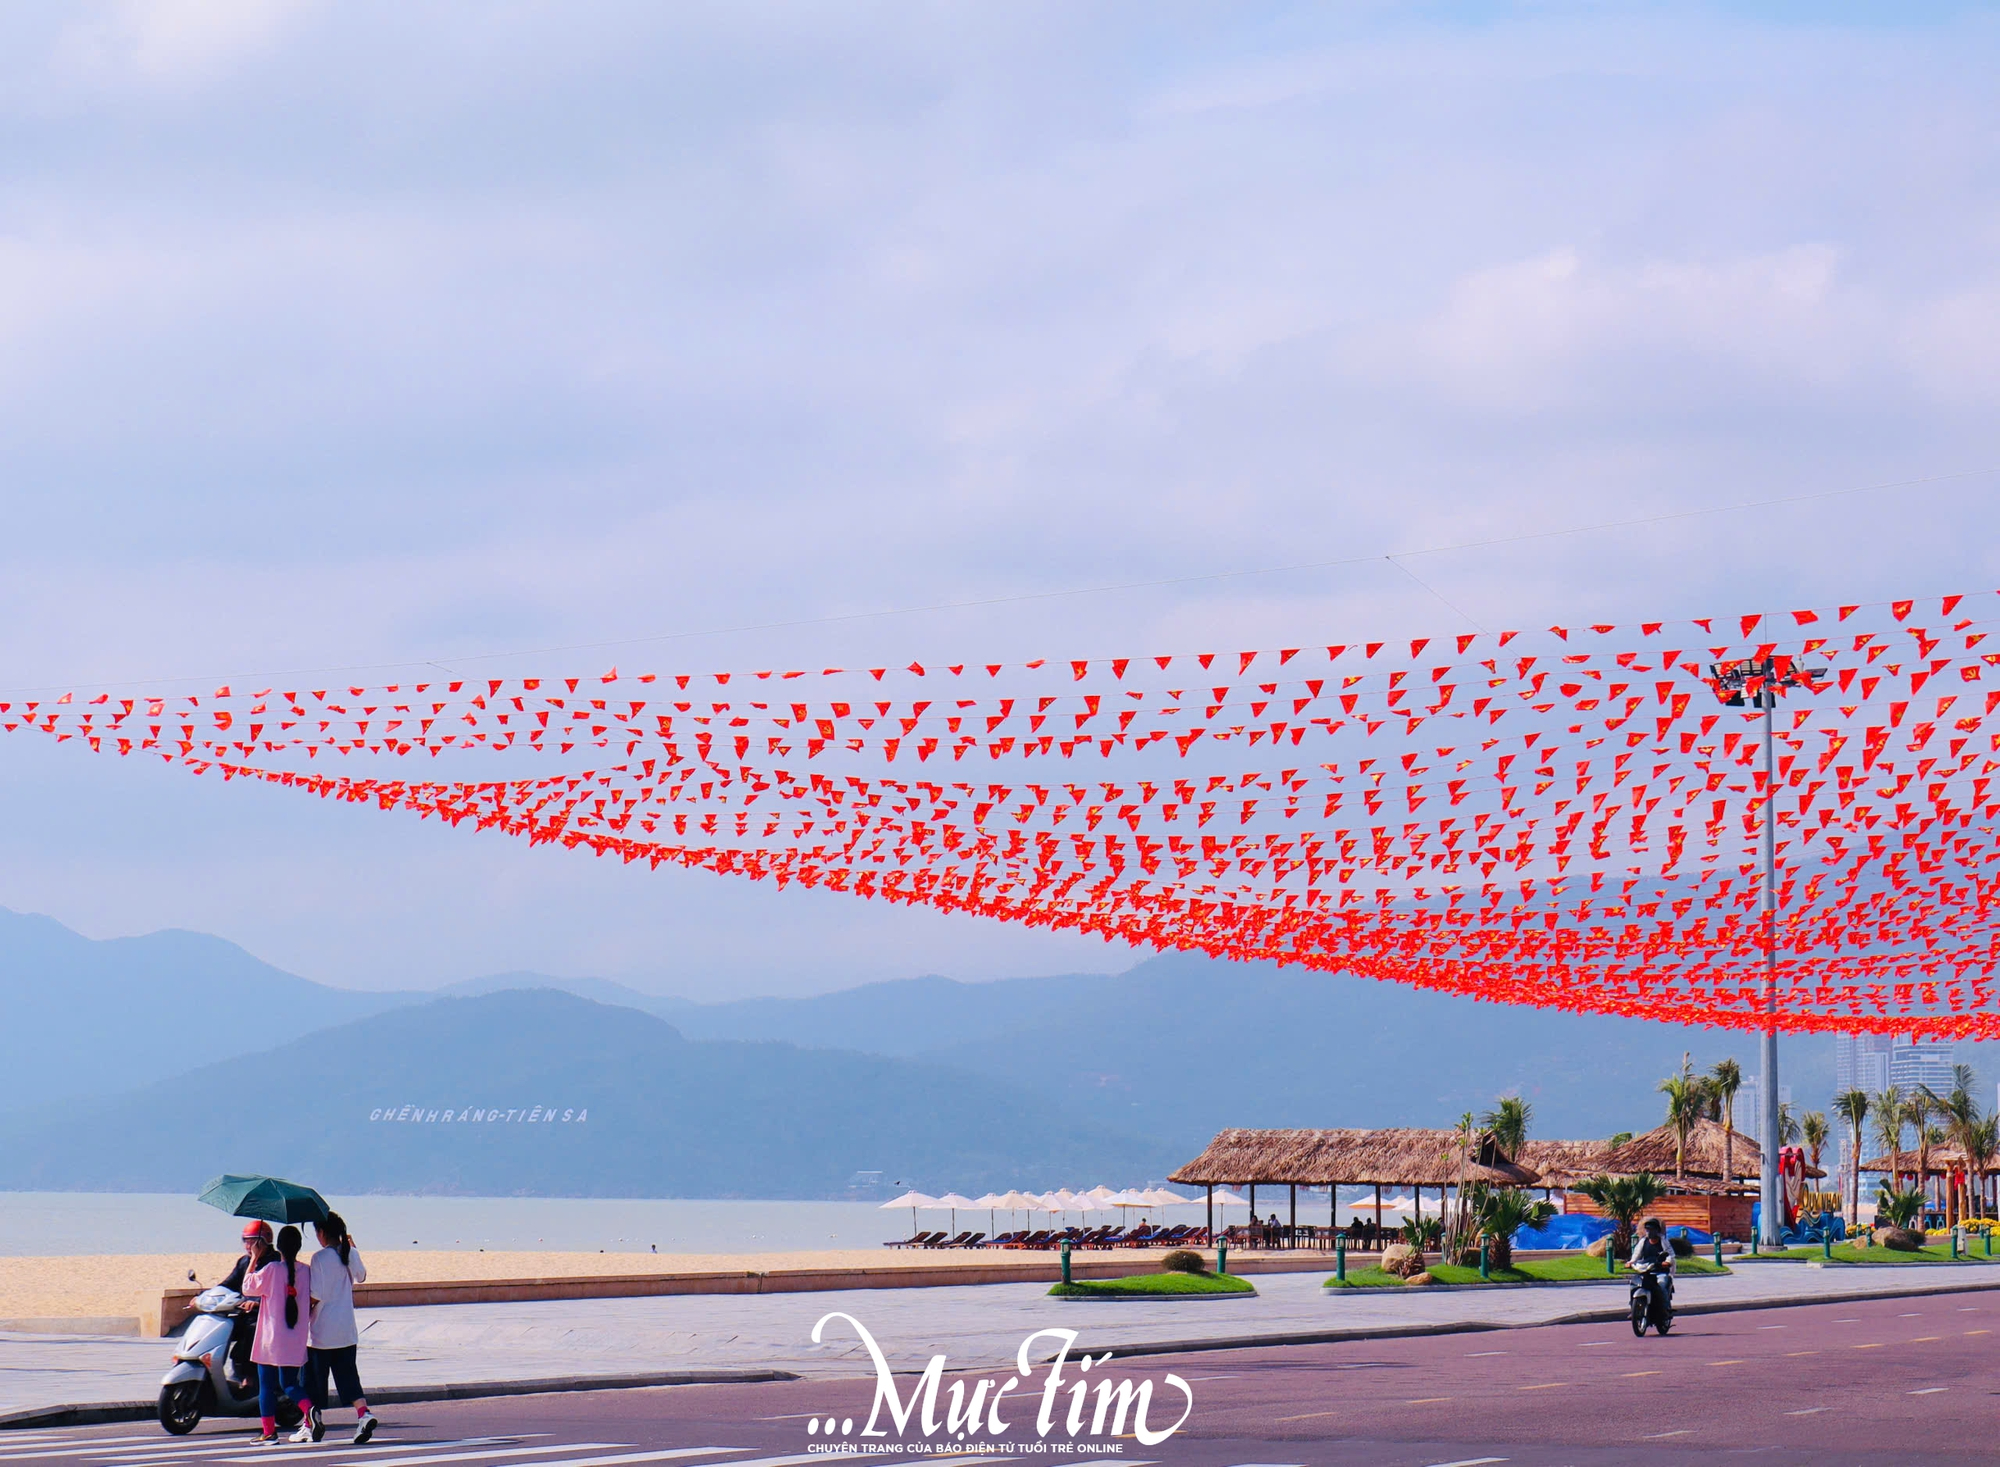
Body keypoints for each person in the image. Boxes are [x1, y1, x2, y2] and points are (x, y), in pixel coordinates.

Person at [239, 1224, 320, 1445]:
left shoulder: (273, 1269)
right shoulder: (306, 1271)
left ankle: (269, 1432)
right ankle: (310, 1410)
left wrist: (254, 1258)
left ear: (279, 1247)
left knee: (266, 1385)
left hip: (271, 1338)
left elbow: (247, 1287)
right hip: (295, 1337)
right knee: (290, 1384)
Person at [307, 1211, 377, 1445]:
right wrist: (353, 1247)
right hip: (346, 1330)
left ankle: (312, 1422)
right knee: (348, 1378)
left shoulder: (319, 1258)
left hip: (322, 1331)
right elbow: (362, 1276)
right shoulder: (350, 1253)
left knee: (315, 1381)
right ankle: (363, 1414)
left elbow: (315, 1294)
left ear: (322, 1233)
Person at [218, 1221, 276, 1388]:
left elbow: (274, 1291)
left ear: (263, 1241)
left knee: (249, 1333)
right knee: (224, 1327)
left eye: (251, 1241)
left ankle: (248, 1375)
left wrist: (256, 1302)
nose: (247, 1246)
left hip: (266, 1315)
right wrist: (204, 1296)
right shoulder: (244, 1262)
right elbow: (229, 1283)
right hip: (244, 1313)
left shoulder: (274, 1263)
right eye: (245, 1241)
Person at [1631, 1217, 1675, 1303]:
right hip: (1645, 1270)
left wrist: (1667, 1262)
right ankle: (1633, 1306)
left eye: (1651, 1230)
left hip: (1660, 1271)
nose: (1649, 1232)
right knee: (1634, 1284)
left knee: (1662, 1285)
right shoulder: (1643, 1241)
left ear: (1657, 1231)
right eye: (1647, 1230)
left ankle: (1664, 1307)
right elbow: (1636, 1254)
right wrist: (1631, 1262)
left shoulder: (1663, 1242)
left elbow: (1670, 1254)